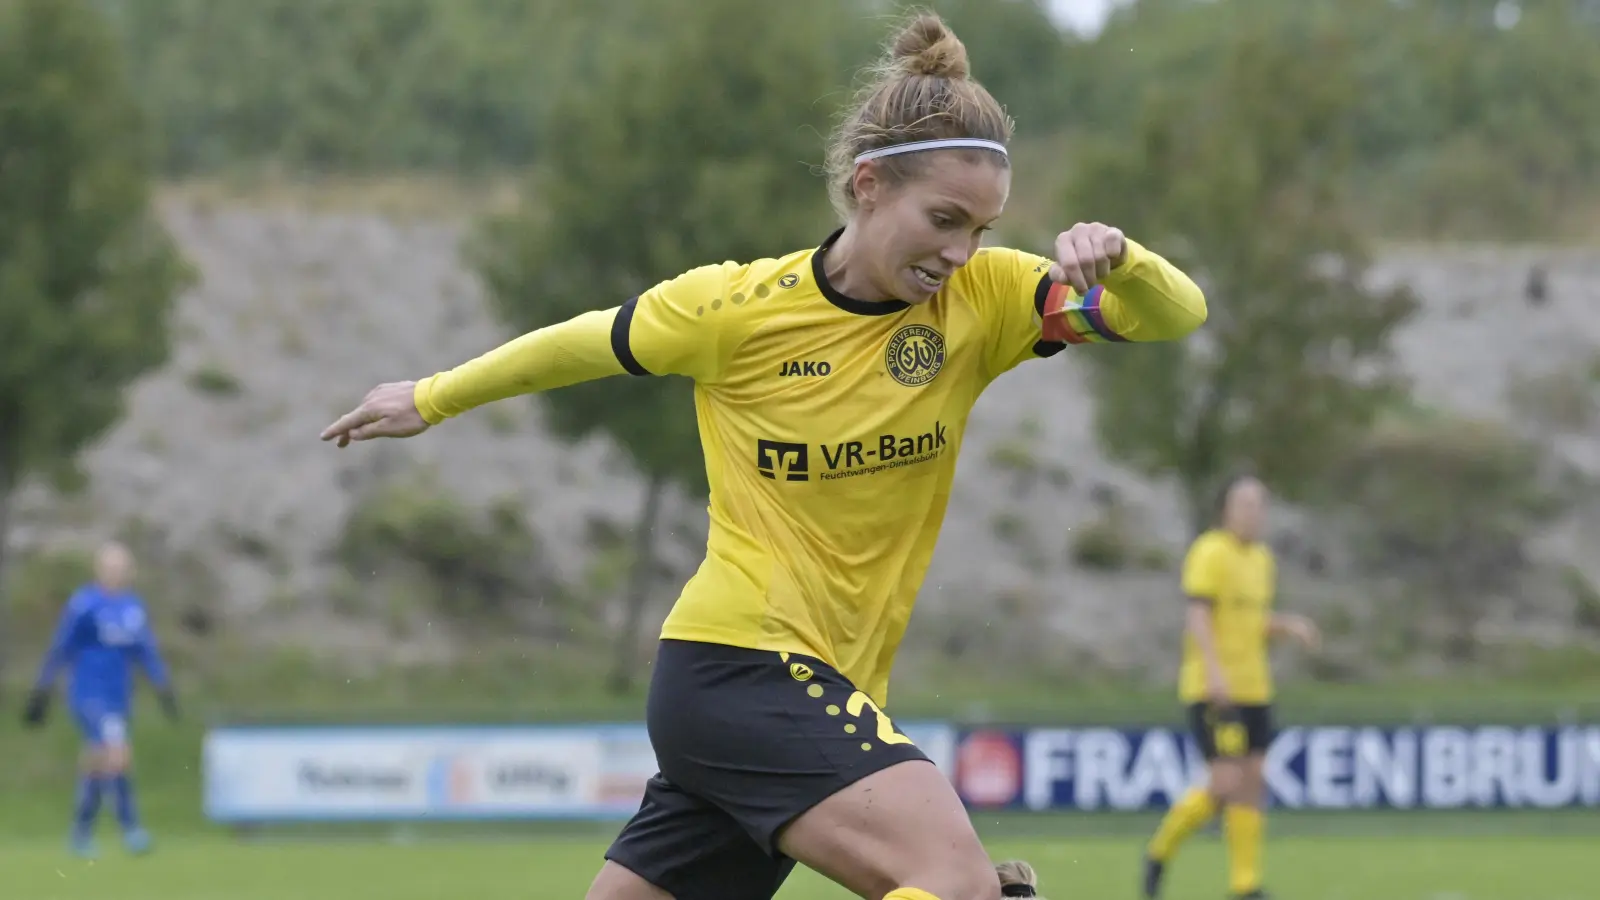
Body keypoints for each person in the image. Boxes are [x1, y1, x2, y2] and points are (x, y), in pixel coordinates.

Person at [321, 13, 1205, 900]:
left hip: (797, 694)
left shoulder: (994, 300)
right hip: (745, 664)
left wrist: (1125, 263)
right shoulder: (735, 312)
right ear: (868, 185)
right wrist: (430, 397)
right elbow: (580, 344)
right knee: (957, 884)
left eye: (981, 227)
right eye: (943, 220)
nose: (960, 252)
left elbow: (1173, 317)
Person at [1142, 476, 1320, 900]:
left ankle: (1245, 885)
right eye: (1245, 504)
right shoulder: (1210, 551)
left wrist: (1287, 626)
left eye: (1259, 505)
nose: (1253, 513)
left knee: (1253, 783)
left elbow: (1250, 622)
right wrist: (1214, 671)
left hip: (1256, 687)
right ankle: (1158, 852)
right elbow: (1199, 615)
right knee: (1223, 783)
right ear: (1226, 509)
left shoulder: (1261, 559)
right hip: (1214, 686)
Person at [22, 541, 179, 858]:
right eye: (110, 567)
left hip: (118, 696)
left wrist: (164, 687)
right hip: (87, 694)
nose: (116, 573)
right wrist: (42, 688)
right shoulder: (85, 604)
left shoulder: (133, 608)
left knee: (97, 762)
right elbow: (61, 647)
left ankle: (80, 832)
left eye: (121, 567)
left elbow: (144, 652)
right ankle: (131, 828)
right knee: (118, 752)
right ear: (99, 569)